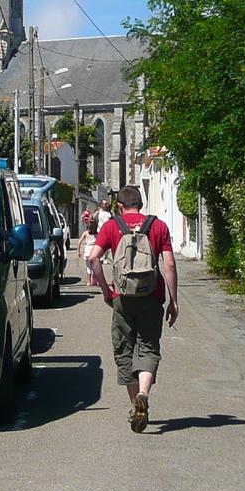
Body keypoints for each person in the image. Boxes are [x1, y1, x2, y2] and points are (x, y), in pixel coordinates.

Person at [86, 185, 178, 433]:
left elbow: (93, 258)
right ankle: (145, 394)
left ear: (119, 205)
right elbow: (168, 265)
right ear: (141, 203)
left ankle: (134, 403)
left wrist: (106, 289)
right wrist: (174, 300)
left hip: (122, 298)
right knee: (148, 347)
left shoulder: (111, 226)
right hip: (152, 297)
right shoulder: (157, 226)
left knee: (125, 349)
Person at [77, 218, 99, 285]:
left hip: (87, 250)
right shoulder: (98, 234)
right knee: (95, 266)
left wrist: (78, 251)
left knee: (88, 267)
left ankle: (89, 282)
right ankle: (95, 281)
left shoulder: (86, 233)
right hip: (95, 250)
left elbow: (79, 242)